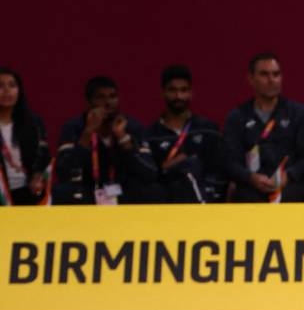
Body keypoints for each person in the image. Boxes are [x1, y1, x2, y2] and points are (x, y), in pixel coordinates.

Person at [222, 53, 304, 203]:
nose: (271, 80)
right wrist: (251, 177)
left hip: (289, 185)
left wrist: (288, 176)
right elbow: (229, 161)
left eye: (276, 74)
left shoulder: (299, 113)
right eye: (264, 74)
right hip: (251, 186)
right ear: (251, 78)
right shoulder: (237, 117)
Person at [54, 76, 159, 205]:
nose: (108, 102)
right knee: (63, 192)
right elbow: (63, 172)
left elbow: (149, 173)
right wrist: (87, 133)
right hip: (88, 191)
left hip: (123, 192)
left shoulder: (131, 127)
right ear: (89, 102)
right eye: (100, 97)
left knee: (153, 190)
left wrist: (123, 138)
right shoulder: (74, 128)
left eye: (112, 96)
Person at [146, 65, 225, 203]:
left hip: (206, 200)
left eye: (183, 90)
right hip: (167, 201)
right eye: (172, 90)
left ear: (191, 93)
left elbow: (219, 170)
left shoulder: (208, 129)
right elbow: (151, 176)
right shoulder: (152, 135)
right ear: (163, 92)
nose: (178, 96)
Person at [0, 68, 49, 206]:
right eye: (0, 86)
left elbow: (43, 155)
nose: (7, 90)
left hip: (27, 191)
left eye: (12, 85)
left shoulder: (33, 123)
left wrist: (38, 175)